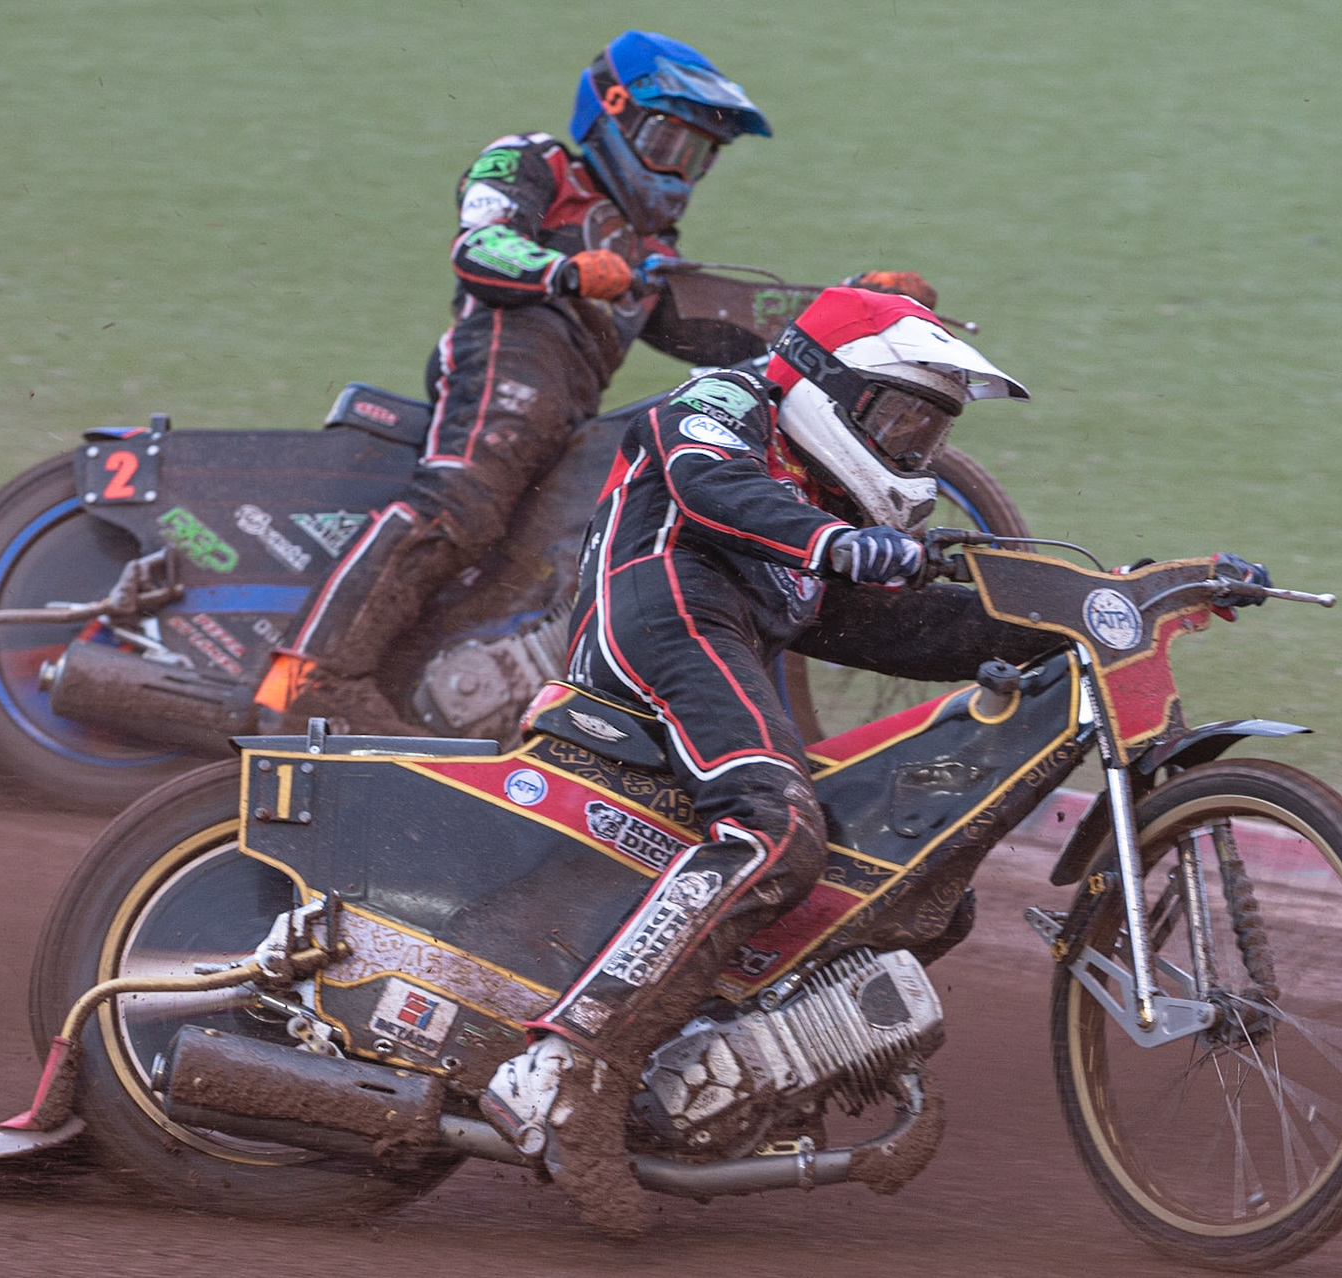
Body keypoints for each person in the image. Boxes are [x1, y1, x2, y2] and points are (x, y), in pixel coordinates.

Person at [474, 287, 1268, 1238]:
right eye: (895, 416)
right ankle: (566, 1067)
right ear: (823, 385)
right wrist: (836, 542)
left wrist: (1117, 607)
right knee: (777, 828)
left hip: (737, 617)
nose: (910, 447)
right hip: (661, 607)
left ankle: (724, 1057)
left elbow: (914, 628)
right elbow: (706, 486)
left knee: (917, 878)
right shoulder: (727, 401)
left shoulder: (820, 505)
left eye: (928, 430)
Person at [251, 30, 939, 733]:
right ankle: (314, 673)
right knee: (463, 500)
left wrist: (860, 303)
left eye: (698, 157)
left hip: (570, 413)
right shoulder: (534, 160)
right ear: (612, 113)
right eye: (670, 145)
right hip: (503, 366)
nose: (680, 174)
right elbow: (478, 247)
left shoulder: (650, 260)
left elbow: (739, 321)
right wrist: (566, 271)